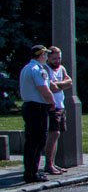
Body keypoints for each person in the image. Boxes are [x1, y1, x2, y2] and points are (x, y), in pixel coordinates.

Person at [18, 45, 55, 184]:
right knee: (38, 140)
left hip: (28, 106)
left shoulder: (26, 68)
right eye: (45, 54)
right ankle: (32, 173)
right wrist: (52, 103)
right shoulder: (38, 70)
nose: (46, 57)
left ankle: (30, 170)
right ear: (41, 55)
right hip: (37, 107)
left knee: (31, 141)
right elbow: (43, 89)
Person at [42, 46, 72, 175]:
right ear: (48, 58)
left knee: (57, 134)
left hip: (61, 105)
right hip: (52, 106)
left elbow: (69, 82)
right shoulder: (45, 69)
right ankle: (48, 164)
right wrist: (61, 85)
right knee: (53, 135)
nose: (57, 60)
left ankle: (53, 163)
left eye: (59, 58)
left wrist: (58, 84)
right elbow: (51, 87)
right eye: (54, 58)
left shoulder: (61, 68)